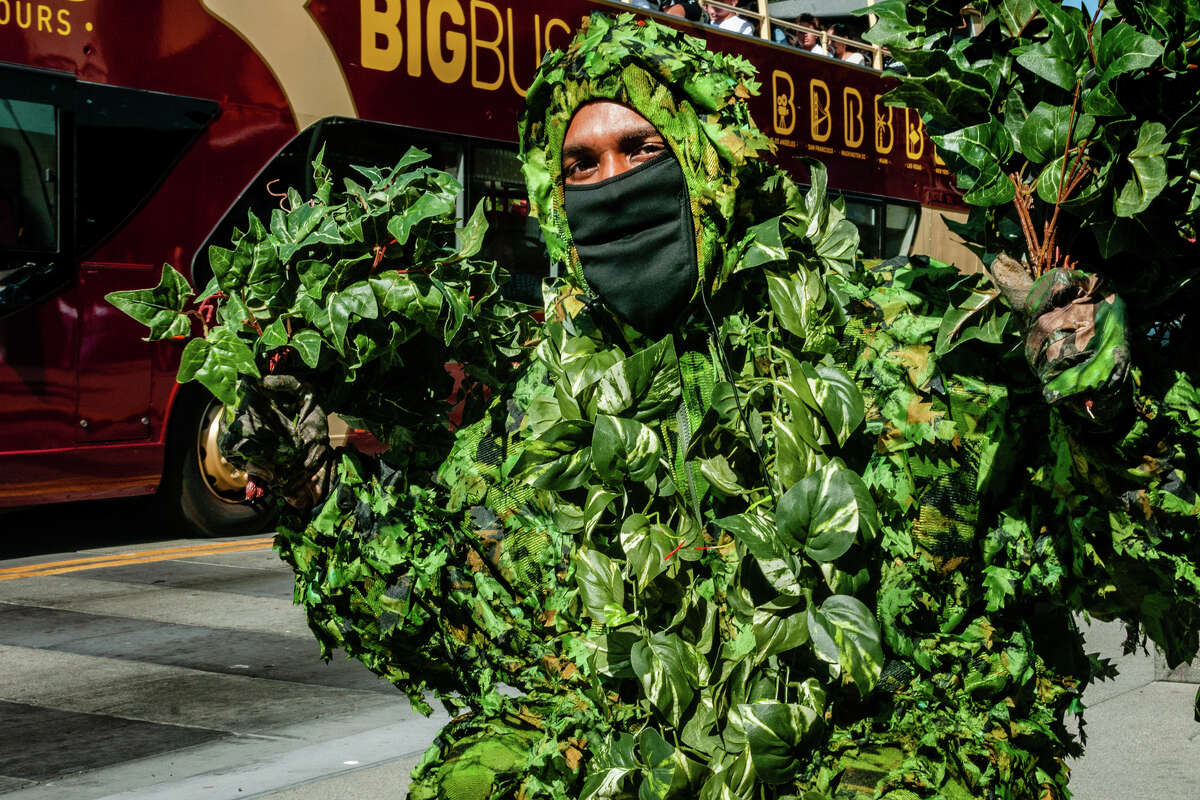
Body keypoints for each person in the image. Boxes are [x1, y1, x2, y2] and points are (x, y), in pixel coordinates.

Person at [174, 12, 1196, 800]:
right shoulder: (543, 410)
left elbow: (1121, 551)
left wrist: (1100, 410)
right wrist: (318, 495)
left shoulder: (900, 345)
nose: (612, 184)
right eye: (582, 164)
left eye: (641, 150)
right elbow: (482, 633)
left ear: (713, 160)